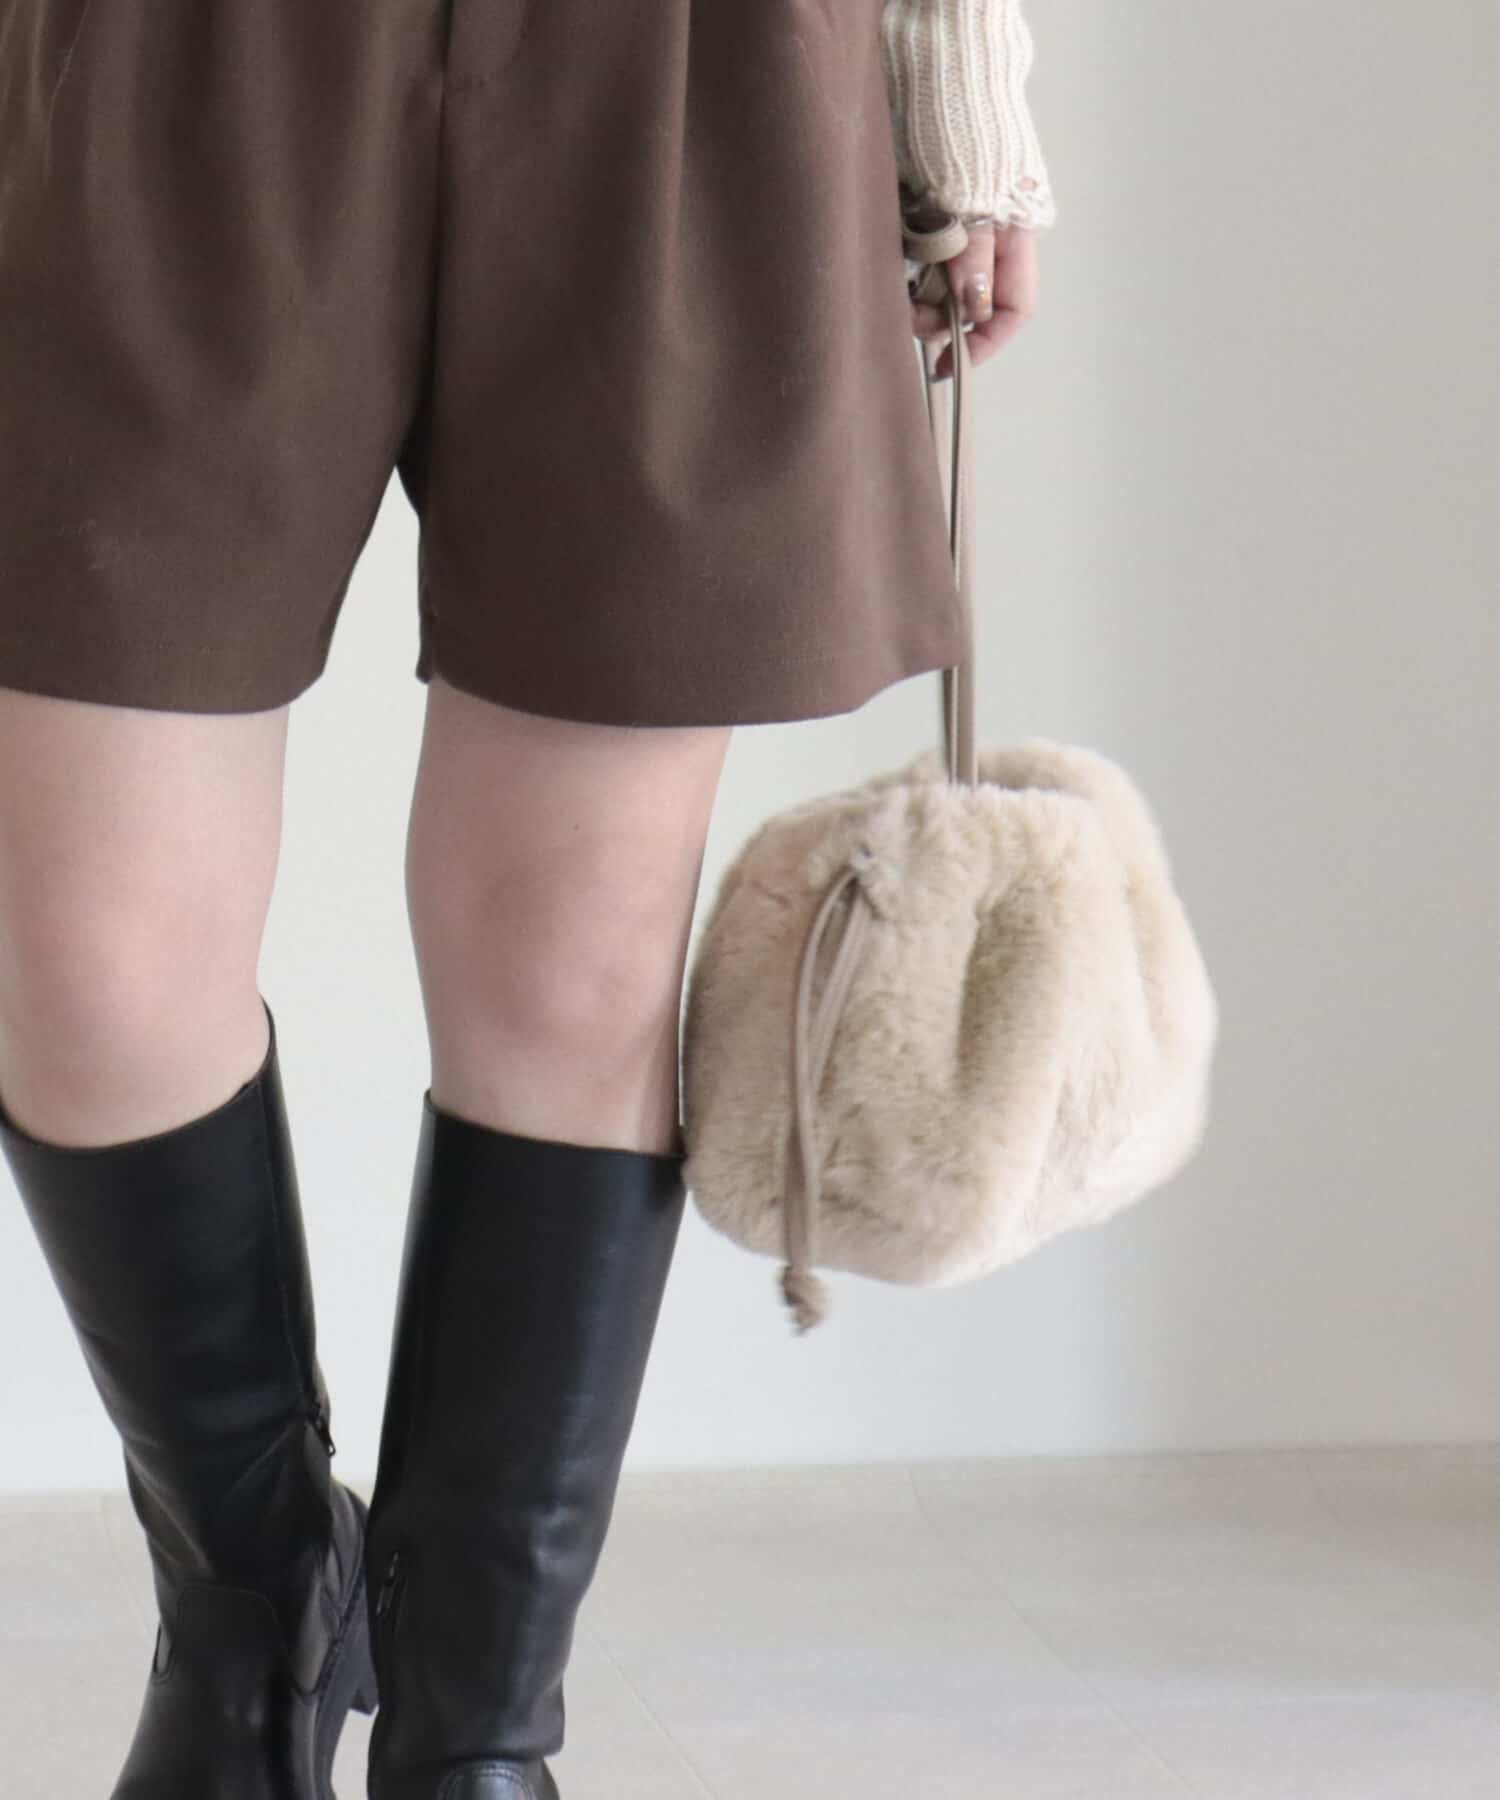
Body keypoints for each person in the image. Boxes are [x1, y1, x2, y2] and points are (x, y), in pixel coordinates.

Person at [0, 2, 1055, 1795]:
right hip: (180, 51)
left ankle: (475, 1728)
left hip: (687, 58)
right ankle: (258, 1612)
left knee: (572, 965)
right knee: (90, 964)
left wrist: (962, 82)